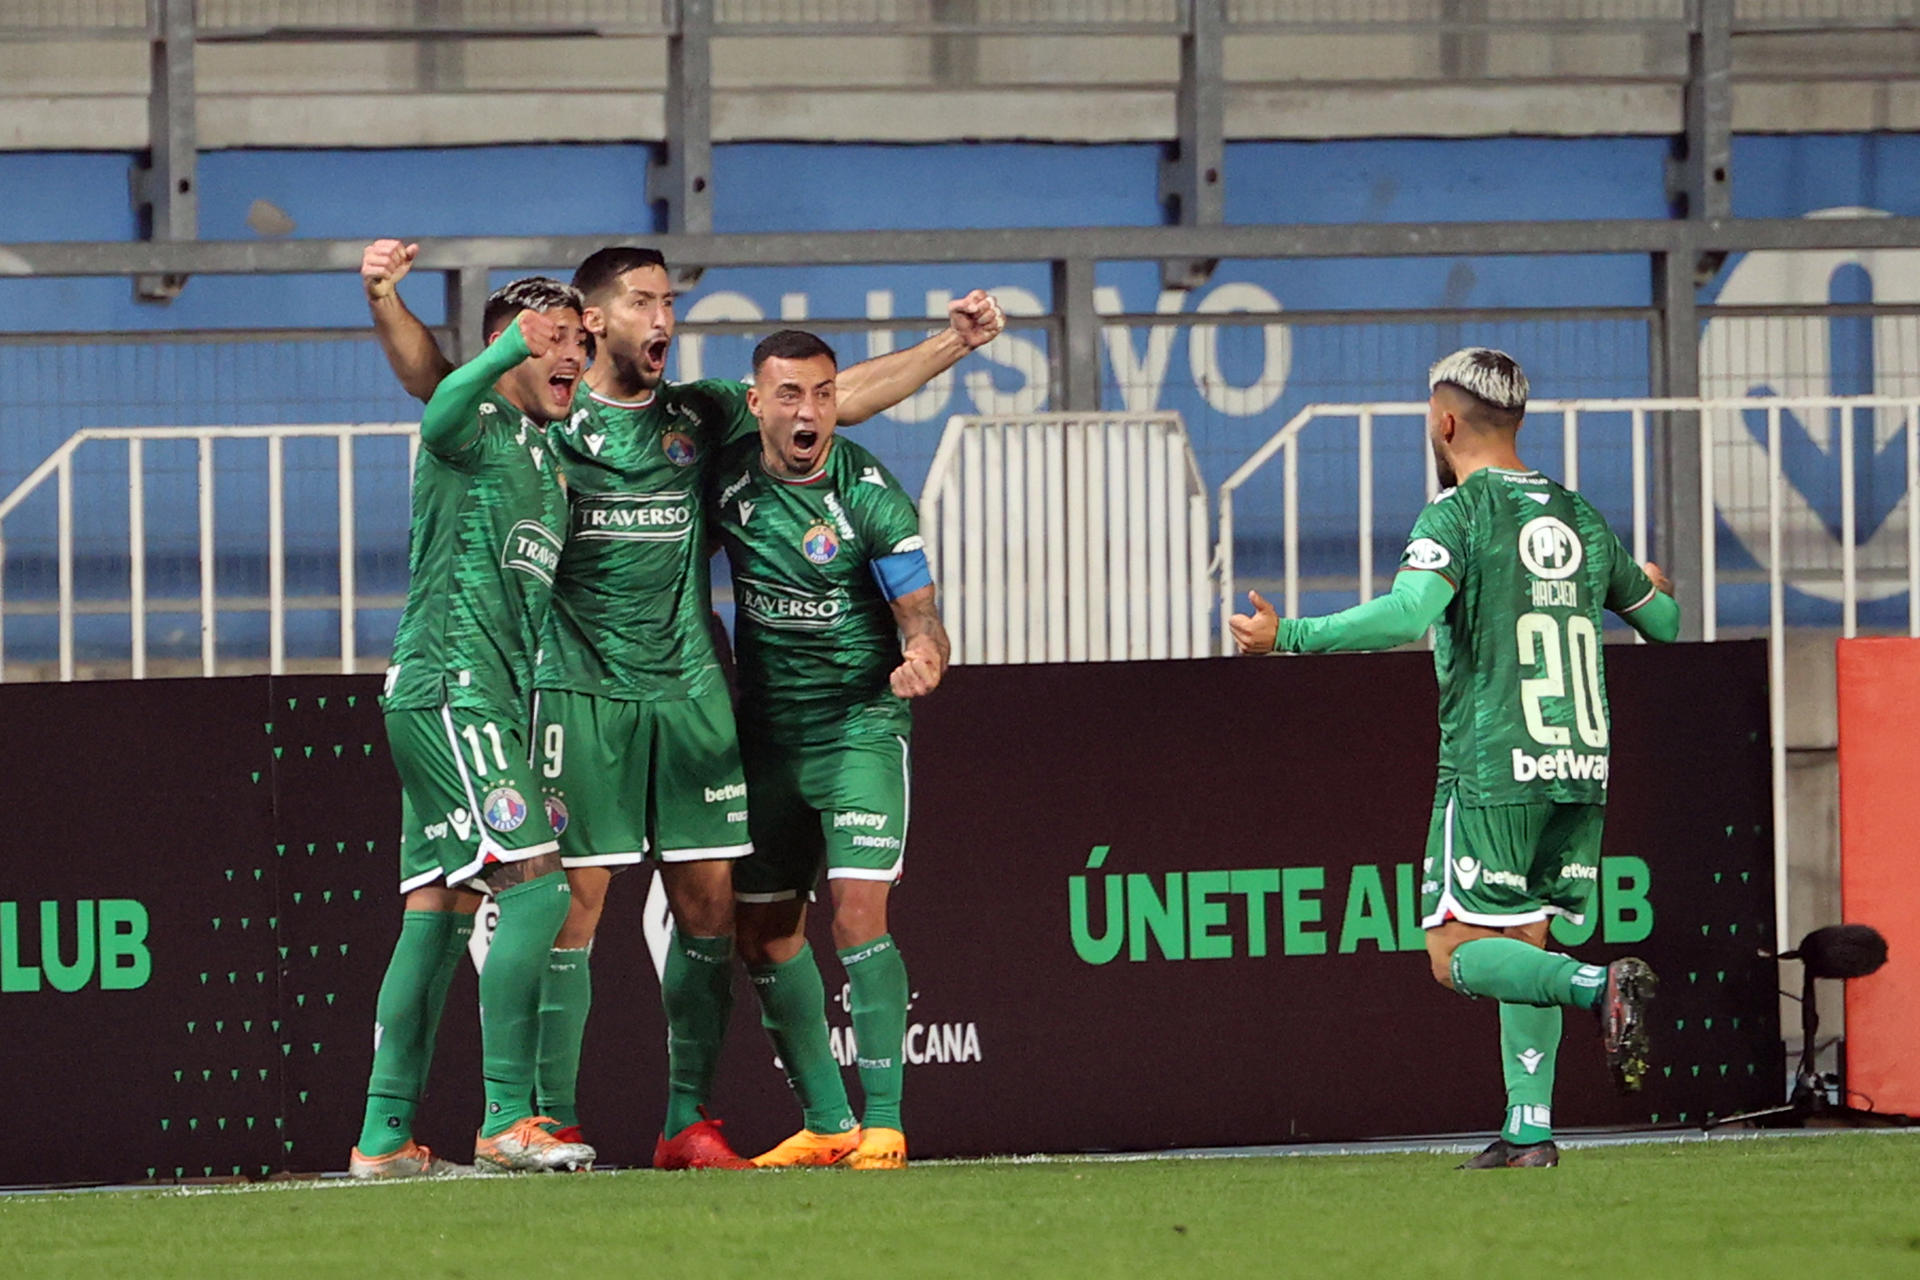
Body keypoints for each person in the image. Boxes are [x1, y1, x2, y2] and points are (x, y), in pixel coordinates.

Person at [361, 240, 1000, 1166]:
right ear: (592, 321)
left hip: (694, 693)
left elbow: (830, 398)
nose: (665, 319)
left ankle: (686, 1123)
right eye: (644, 301)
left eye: (671, 302)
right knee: (565, 904)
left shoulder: (698, 416)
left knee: (708, 906)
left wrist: (951, 344)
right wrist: (387, 296)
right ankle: (546, 1117)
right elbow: (436, 380)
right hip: (573, 693)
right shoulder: (546, 414)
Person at [1229, 347, 1680, 1170]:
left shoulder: (1458, 514)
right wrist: (1648, 580)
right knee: (1524, 943)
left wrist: (1287, 635)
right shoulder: (1579, 516)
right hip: (1578, 764)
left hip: (1494, 761)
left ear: (1442, 422)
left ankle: (1599, 989)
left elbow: (1408, 616)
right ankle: (1531, 1131)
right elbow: (1667, 624)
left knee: (1454, 956)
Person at [349, 277, 597, 1177]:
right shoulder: (474, 425)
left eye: (580, 340)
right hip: (453, 693)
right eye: (554, 339)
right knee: (536, 892)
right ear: (513, 347)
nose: (573, 355)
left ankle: (383, 1139)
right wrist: (498, 354)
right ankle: (505, 1119)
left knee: (437, 913)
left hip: (476, 701)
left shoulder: (547, 460)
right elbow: (439, 407)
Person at [706, 330, 949, 1172]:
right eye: (790, 395)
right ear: (757, 403)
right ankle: (827, 1123)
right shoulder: (726, 477)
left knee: (855, 915)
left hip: (859, 728)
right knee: (764, 934)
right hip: (766, 736)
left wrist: (924, 656)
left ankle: (884, 1123)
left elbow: (920, 615)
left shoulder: (873, 494)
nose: (808, 411)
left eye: (821, 394)